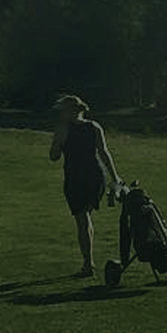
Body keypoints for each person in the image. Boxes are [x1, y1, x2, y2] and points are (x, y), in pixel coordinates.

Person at [49, 94, 123, 277]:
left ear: (69, 111)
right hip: (96, 176)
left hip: (76, 178)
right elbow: (104, 153)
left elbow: (54, 156)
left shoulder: (63, 129)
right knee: (85, 217)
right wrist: (115, 177)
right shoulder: (94, 127)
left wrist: (58, 144)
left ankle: (88, 264)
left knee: (82, 220)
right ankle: (87, 262)